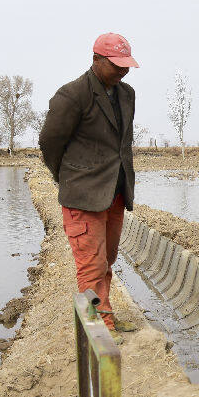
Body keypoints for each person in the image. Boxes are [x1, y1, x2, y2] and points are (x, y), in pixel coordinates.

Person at [39, 32, 140, 343]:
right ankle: (99, 332)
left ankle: (104, 315)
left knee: (106, 259)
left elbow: (122, 144)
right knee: (90, 263)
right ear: (96, 60)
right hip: (83, 195)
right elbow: (50, 142)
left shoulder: (127, 94)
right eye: (116, 65)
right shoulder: (72, 96)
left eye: (126, 66)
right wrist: (69, 177)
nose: (123, 71)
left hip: (114, 192)